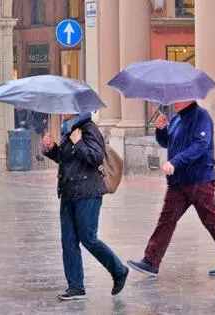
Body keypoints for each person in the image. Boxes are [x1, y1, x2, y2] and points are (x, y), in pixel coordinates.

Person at [128, 101, 215, 277]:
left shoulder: (201, 116)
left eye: (176, 99)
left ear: (187, 97)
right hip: (178, 182)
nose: (172, 103)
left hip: (199, 180)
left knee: (212, 222)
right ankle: (150, 261)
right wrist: (160, 129)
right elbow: (168, 143)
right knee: (166, 220)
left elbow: (201, 144)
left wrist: (175, 162)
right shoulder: (176, 119)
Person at [42, 112, 128, 301]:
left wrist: (79, 142)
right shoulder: (69, 130)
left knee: (88, 238)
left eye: (67, 109)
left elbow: (95, 157)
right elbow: (66, 159)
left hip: (88, 192)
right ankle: (76, 287)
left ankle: (119, 270)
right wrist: (51, 148)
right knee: (68, 241)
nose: (63, 112)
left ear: (78, 109)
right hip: (68, 192)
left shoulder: (89, 129)